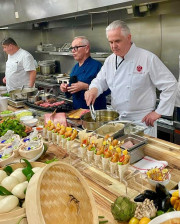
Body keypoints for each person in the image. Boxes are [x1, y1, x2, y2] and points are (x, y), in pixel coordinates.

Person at [85, 20, 177, 137]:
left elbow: (170, 84)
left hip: (141, 122)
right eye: (111, 42)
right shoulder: (110, 60)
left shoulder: (147, 58)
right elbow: (100, 80)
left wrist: (158, 112)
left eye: (117, 41)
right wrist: (93, 89)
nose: (113, 46)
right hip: (117, 121)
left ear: (128, 38)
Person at [60, 36, 109, 110]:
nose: (73, 51)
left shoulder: (97, 66)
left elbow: (108, 89)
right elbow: (72, 90)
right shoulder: (75, 68)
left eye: (76, 48)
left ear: (86, 49)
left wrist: (86, 86)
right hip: (77, 111)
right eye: (72, 48)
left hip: (95, 111)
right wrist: (66, 88)